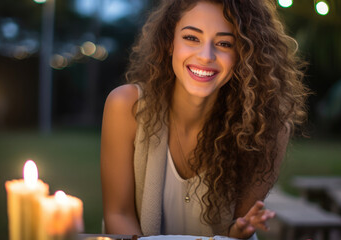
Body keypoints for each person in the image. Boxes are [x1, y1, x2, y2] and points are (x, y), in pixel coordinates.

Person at [100, 0, 310, 238]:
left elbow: (235, 229)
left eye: (224, 43)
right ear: (170, 42)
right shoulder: (126, 106)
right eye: (191, 38)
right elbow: (118, 215)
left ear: (243, 54)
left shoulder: (266, 129)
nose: (206, 56)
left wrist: (239, 231)